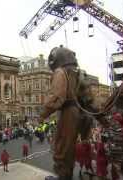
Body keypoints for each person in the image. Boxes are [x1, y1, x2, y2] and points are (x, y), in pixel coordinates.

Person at [39, 46, 107, 180]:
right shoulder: (79, 73)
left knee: (63, 148)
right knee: (73, 146)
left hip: (68, 112)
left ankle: (63, 176)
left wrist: (43, 114)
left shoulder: (60, 72)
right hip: (81, 113)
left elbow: (56, 97)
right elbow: (89, 100)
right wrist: (103, 119)